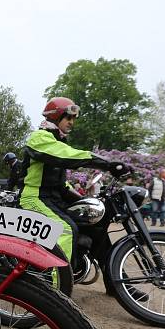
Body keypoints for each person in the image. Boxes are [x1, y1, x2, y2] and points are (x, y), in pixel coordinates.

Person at [19, 97, 126, 266]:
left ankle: (114, 283)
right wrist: (106, 163)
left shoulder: (58, 140)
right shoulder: (39, 137)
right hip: (34, 197)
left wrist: (84, 200)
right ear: (56, 117)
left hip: (53, 198)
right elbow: (67, 156)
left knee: (97, 228)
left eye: (74, 119)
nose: (72, 122)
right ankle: (56, 286)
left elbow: (60, 183)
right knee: (65, 230)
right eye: (68, 118)